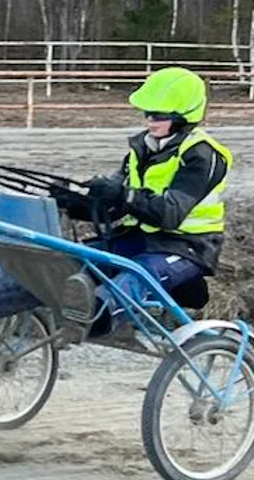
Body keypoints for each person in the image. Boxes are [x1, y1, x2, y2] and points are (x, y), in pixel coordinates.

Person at [52, 66, 231, 331]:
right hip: (142, 239)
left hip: (187, 247)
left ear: (183, 117)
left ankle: (92, 319)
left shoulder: (203, 156)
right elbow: (113, 208)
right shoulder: (140, 150)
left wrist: (123, 195)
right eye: (147, 113)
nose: (150, 119)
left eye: (158, 114)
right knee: (76, 259)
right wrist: (72, 201)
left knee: (136, 276)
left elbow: (170, 214)